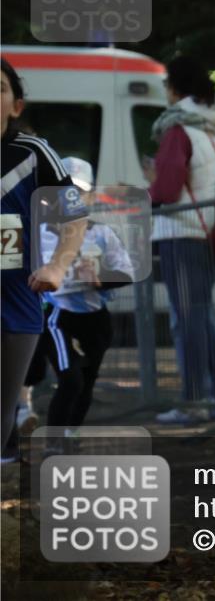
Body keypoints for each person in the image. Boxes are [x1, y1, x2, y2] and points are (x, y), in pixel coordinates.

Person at [1, 57, 88, 451]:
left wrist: (57, 265)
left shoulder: (33, 153)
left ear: (16, 106)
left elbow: (74, 216)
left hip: (16, 299)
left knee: (4, 412)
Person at [147, 56, 215, 425]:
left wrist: (145, 193)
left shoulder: (177, 131)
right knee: (204, 318)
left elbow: (166, 188)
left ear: (174, 90)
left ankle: (193, 401)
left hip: (179, 232)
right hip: (210, 233)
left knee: (188, 321)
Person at [33, 157, 135, 443]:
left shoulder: (102, 233)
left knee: (87, 380)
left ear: (90, 196)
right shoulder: (38, 234)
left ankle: (70, 434)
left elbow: (128, 272)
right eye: (65, 192)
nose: (72, 199)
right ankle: (53, 442)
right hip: (56, 314)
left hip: (94, 315)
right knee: (70, 378)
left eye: (79, 192)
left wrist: (100, 276)